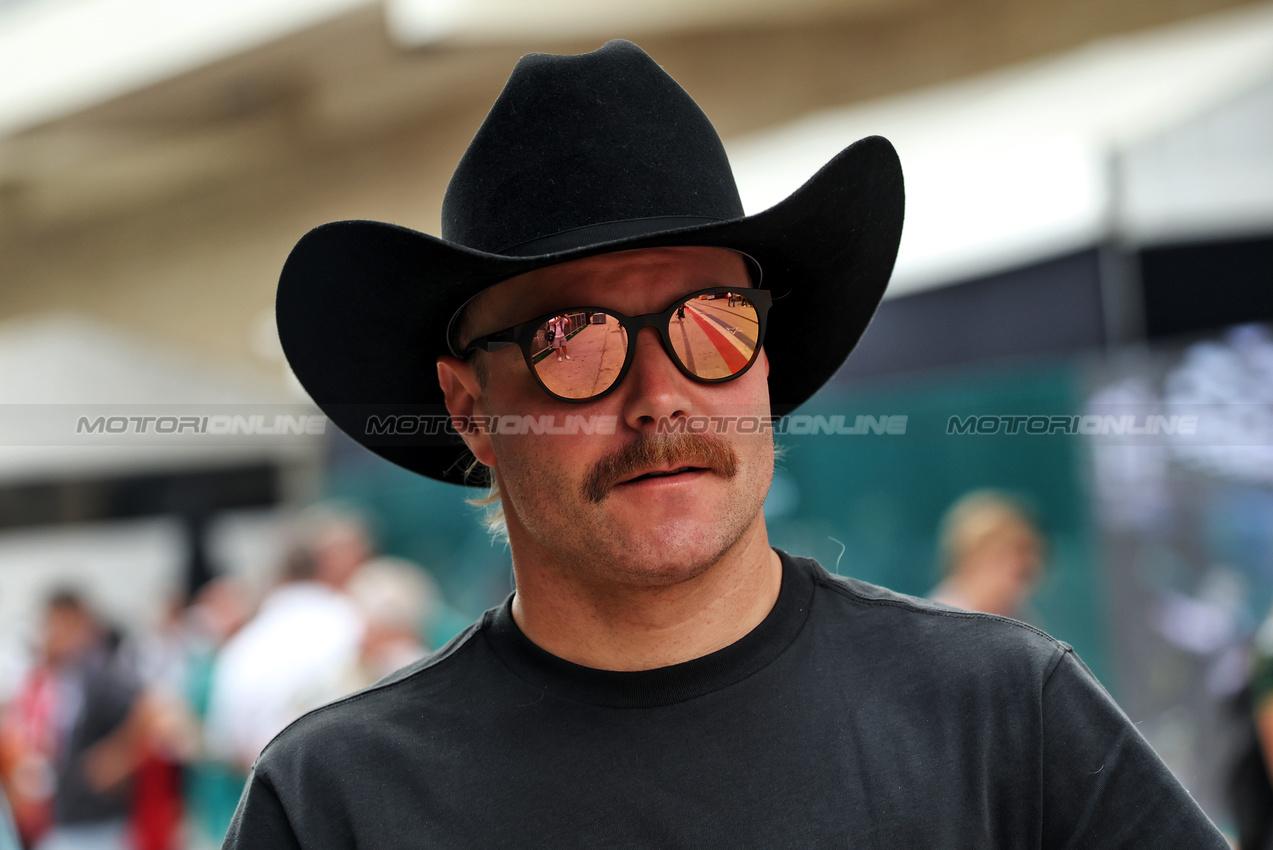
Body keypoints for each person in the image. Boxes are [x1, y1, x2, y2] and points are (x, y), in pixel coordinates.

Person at [226, 40, 1226, 847]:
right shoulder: (338, 803)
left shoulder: (1004, 714)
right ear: (469, 407)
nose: (660, 398)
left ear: (762, 362)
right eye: (573, 341)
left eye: (714, 321)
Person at [928, 489, 1045, 620]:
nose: (1020, 565)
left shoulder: (1021, 615)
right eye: (1000, 557)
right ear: (970, 559)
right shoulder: (943, 616)